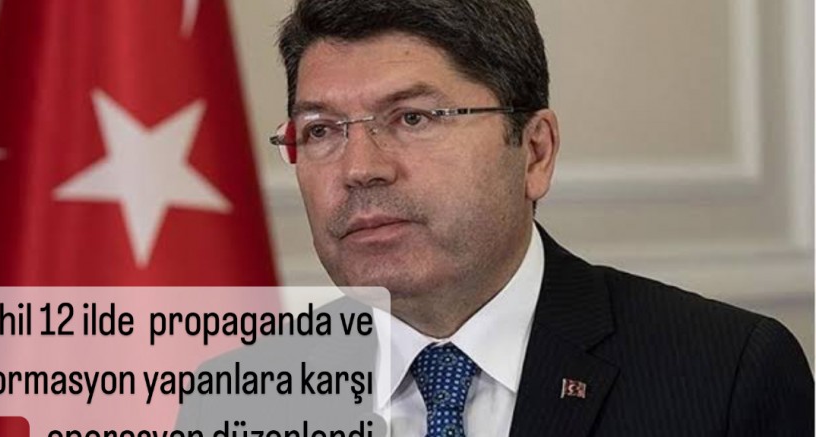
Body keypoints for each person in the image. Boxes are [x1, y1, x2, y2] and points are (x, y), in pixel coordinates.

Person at [263, 0, 814, 435]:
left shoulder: (725, 375)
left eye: (412, 118)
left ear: (535, 152)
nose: (360, 168)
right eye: (321, 130)